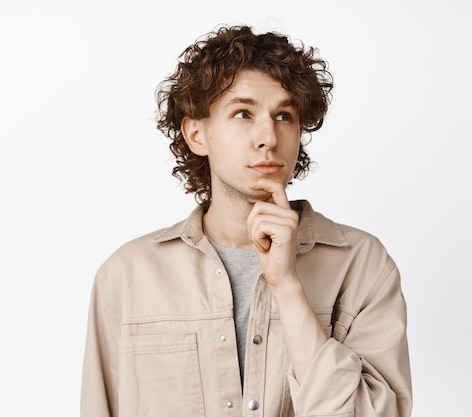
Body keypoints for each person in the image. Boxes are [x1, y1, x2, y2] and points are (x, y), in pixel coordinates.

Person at [81, 24, 412, 417]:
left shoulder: (362, 265)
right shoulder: (126, 275)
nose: (268, 137)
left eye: (284, 116)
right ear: (196, 134)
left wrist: (287, 288)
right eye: (243, 113)